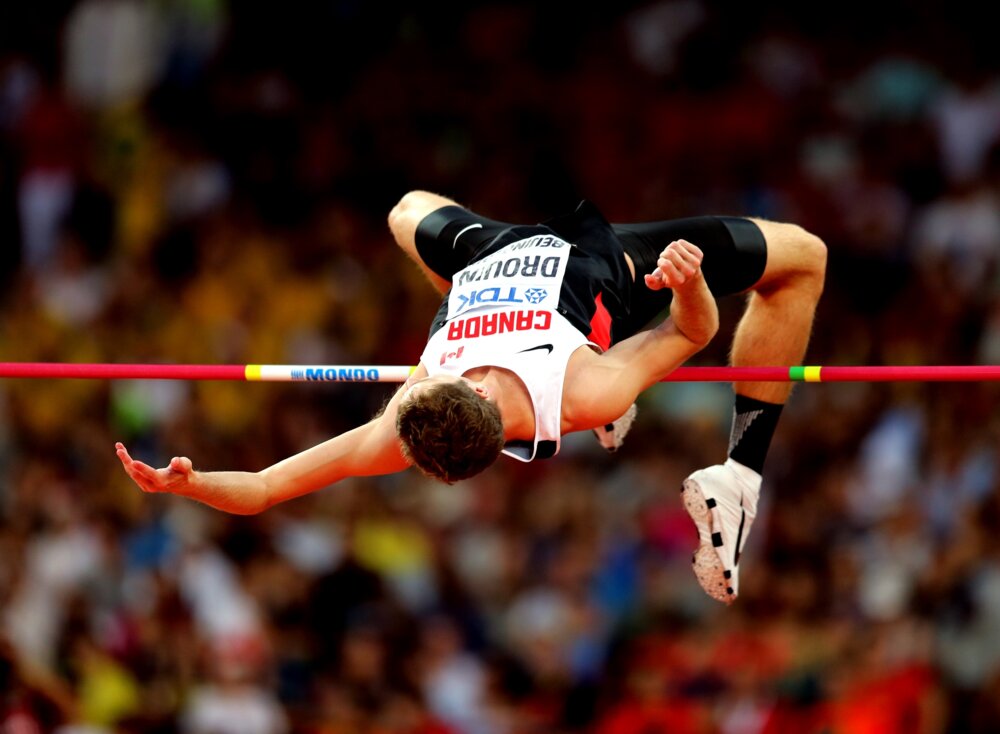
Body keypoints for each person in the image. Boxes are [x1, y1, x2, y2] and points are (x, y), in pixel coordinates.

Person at [116, 191, 826, 604]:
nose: (416, 378)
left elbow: (267, 488)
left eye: (417, 380)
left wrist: (194, 483)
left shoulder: (403, 423)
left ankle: (636, 420)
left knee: (405, 211)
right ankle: (738, 477)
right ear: (474, 387)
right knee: (802, 259)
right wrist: (690, 281)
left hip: (486, 254)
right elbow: (691, 332)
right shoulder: (585, 391)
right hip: (602, 265)